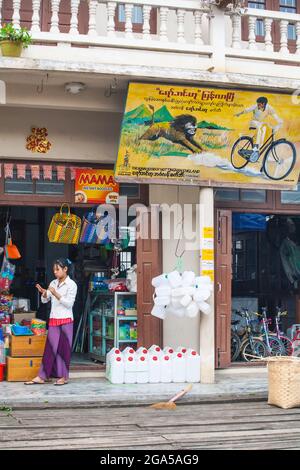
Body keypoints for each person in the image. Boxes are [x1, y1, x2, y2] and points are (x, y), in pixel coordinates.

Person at [25, 258, 77, 386]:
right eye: (54, 270)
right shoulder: (53, 283)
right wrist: (43, 293)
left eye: (57, 269)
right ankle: (42, 376)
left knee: (63, 349)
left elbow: (69, 304)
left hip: (66, 320)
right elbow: (45, 300)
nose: (55, 272)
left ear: (65, 269)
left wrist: (56, 294)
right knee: (50, 349)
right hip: (54, 319)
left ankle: (63, 377)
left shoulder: (72, 285)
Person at [235, 96, 283, 162]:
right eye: (257, 104)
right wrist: (239, 114)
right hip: (253, 122)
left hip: (260, 123)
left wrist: (280, 122)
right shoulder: (255, 106)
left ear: (263, 104)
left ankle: (258, 148)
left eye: (259, 104)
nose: (258, 105)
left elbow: (276, 117)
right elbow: (247, 110)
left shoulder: (269, 108)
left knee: (265, 128)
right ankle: (255, 148)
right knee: (260, 128)